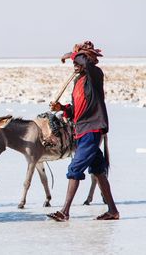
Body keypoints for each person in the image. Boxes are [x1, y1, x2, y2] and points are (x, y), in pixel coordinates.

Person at [47, 41, 119, 221]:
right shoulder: (79, 81)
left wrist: (70, 54)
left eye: (78, 61)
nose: (76, 65)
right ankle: (113, 211)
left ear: (88, 59)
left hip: (91, 129)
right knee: (98, 170)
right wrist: (63, 107)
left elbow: (84, 61)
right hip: (82, 130)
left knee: (75, 168)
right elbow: (78, 110)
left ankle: (64, 211)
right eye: (75, 62)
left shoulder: (94, 74)